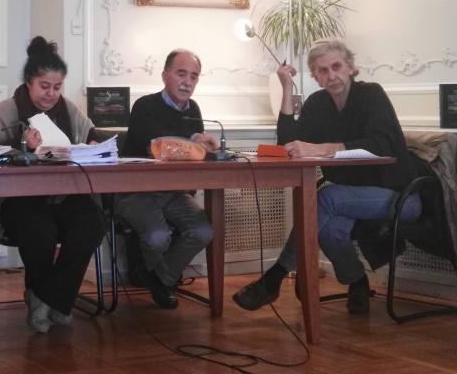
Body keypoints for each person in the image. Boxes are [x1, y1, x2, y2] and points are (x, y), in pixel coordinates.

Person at [232, 39, 422, 315]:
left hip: (400, 194)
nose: (331, 75)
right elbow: (287, 143)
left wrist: (322, 148)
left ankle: (274, 277)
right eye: (323, 70)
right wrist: (287, 89)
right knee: (330, 230)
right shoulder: (318, 103)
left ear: (350, 67)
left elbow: (381, 145)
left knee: (325, 197)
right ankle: (357, 281)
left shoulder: (371, 94)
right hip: (350, 197)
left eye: (336, 66)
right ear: (315, 76)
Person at [0, 36, 106, 334]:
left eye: (57, 87)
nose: (51, 94)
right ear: (28, 83)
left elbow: (93, 135)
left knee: (92, 223)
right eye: (44, 86)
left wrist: (93, 144)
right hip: (15, 200)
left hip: (62, 196)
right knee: (40, 230)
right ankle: (54, 301)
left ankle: (49, 297)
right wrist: (20, 144)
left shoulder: (68, 109)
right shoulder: (7, 110)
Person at [116, 49, 216, 309]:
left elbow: (194, 155)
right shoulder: (144, 106)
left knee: (203, 231)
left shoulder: (193, 109)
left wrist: (208, 148)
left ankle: (158, 278)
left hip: (173, 192)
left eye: (194, 76)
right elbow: (159, 145)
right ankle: (158, 279)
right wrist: (194, 140)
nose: (187, 82)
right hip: (136, 191)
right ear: (165, 76)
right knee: (158, 237)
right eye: (181, 74)